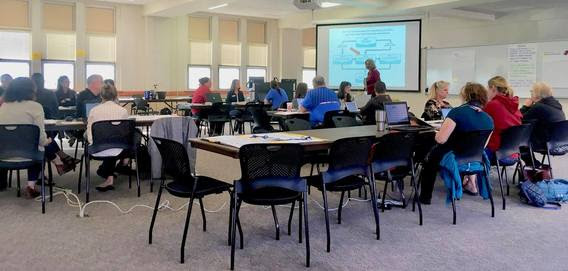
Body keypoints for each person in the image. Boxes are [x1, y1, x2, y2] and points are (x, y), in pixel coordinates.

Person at [419, 82, 494, 204]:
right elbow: (483, 146)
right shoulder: (489, 119)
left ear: (466, 96)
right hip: (475, 159)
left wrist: (435, 133)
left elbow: (440, 139)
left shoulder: (456, 112)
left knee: (430, 159)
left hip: (454, 157)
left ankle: (425, 198)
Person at [0, 78, 72, 197]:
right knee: (40, 146)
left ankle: (59, 162)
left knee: (37, 145)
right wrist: (48, 141)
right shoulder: (35, 106)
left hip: (3, 154)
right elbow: (41, 137)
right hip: (29, 154)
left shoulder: (3, 106)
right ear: (31, 90)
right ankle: (31, 186)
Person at [86, 82, 130, 192]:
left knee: (106, 141)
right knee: (118, 140)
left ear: (101, 95)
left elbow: (90, 134)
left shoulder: (94, 110)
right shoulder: (123, 111)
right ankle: (123, 163)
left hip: (98, 148)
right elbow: (125, 133)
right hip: (119, 149)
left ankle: (107, 174)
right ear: (116, 96)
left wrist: (92, 143)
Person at [520, 82, 565, 164]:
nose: (530, 93)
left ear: (537, 94)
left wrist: (525, 106)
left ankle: (534, 166)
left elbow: (519, 119)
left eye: (532, 91)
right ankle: (535, 165)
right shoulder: (557, 106)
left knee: (520, 140)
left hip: (546, 144)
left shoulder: (538, 107)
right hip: (560, 144)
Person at [484, 76, 522, 158]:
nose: (486, 92)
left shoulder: (492, 105)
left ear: (493, 88)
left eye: (487, 89)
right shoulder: (513, 103)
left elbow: (479, 124)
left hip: (497, 152)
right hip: (513, 152)